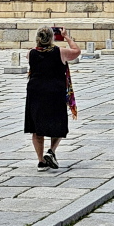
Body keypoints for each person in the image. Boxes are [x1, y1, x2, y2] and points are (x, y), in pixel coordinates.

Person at [25, 26, 80, 171]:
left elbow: (36, 52)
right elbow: (76, 51)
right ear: (52, 37)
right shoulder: (60, 52)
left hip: (35, 92)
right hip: (54, 92)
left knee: (36, 128)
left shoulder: (30, 53)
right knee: (58, 123)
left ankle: (41, 161)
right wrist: (67, 36)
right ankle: (51, 151)